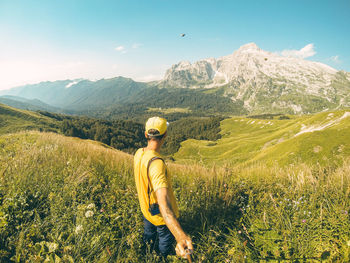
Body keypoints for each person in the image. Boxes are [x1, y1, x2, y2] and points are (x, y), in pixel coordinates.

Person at [134, 117, 193, 259]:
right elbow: (165, 208)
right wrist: (181, 237)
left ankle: (146, 257)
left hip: (146, 211)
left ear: (146, 135)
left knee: (148, 239)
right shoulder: (157, 164)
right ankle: (161, 259)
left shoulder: (139, 153)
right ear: (165, 135)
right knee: (164, 246)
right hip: (161, 218)